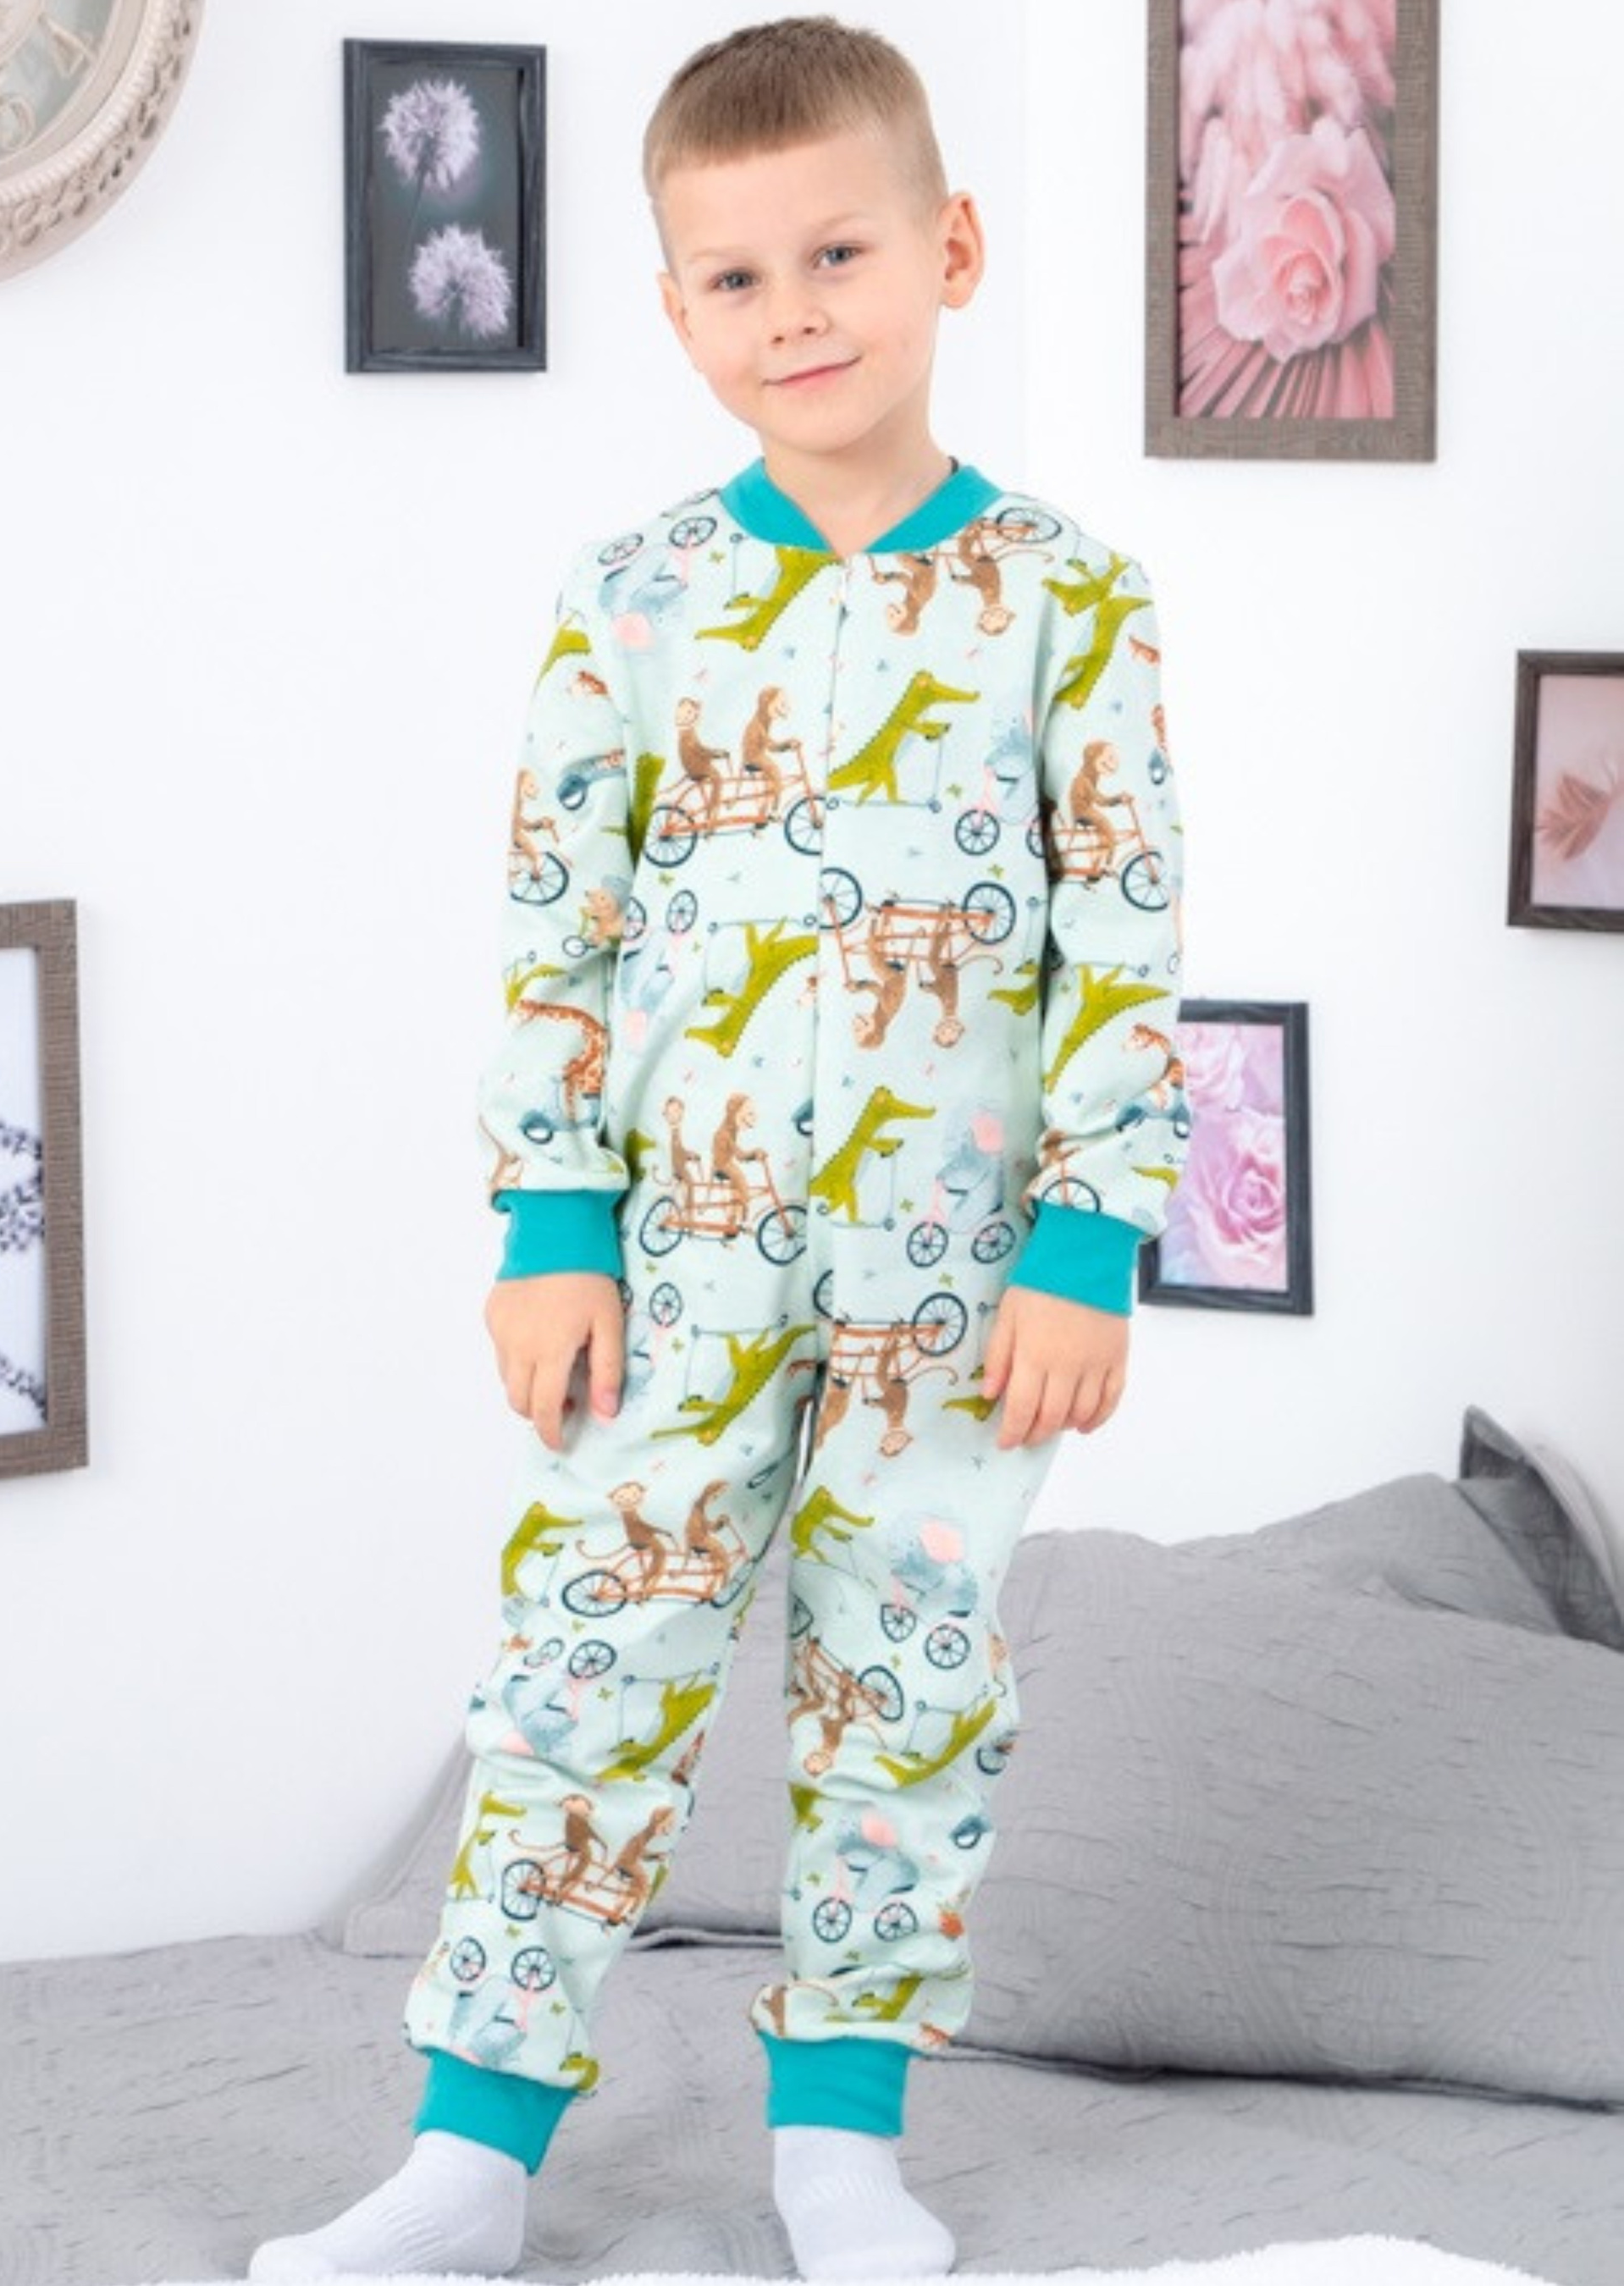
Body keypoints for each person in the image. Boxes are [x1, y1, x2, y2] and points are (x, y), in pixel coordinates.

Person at [248, 14, 1189, 2283]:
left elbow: (1127, 932)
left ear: (951, 249)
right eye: (738, 278)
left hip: (957, 1285)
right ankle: (473, 2151)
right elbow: (556, 925)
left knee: (908, 1690)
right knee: (584, 1674)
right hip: (672, 1260)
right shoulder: (635, 596)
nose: (796, 314)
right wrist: (548, 1214)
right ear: (676, 314)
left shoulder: (1070, 599)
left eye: (839, 253)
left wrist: (1093, 1238)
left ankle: (840, 2146)